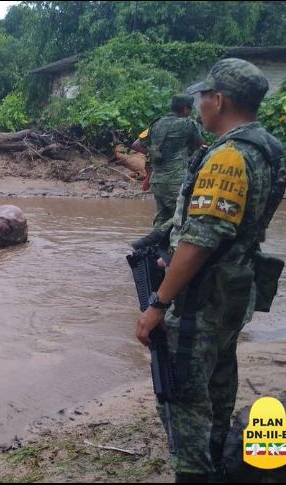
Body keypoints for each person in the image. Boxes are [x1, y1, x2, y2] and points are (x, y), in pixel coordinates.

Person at [135, 58, 284, 482]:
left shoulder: (228, 158)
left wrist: (158, 303)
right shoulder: (268, 149)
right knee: (219, 383)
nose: (200, 103)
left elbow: (201, 241)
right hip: (236, 291)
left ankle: (196, 472)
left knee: (181, 398)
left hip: (202, 297)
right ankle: (219, 464)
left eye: (204, 96)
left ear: (218, 100)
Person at [131, 94, 205, 249]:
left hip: (157, 180)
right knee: (184, 215)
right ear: (185, 109)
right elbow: (201, 145)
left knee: (162, 216)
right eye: (190, 108)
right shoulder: (188, 124)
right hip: (176, 181)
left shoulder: (156, 123)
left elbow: (136, 145)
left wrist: (155, 154)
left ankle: (154, 251)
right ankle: (154, 242)